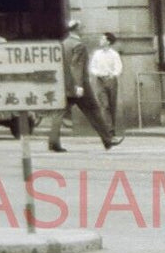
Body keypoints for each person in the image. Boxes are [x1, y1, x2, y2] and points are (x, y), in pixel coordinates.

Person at [48, 19, 116, 153]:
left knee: (59, 113)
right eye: (82, 28)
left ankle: (53, 142)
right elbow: (77, 66)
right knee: (94, 111)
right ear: (77, 29)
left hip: (65, 85)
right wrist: (79, 85)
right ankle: (108, 140)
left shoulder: (63, 44)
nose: (83, 30)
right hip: (80, 87)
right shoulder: (79, 45)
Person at [88, 32, 124, 147]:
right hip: (99, 80)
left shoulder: (114, 54)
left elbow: (118, 67)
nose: (100, 40)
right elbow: (92, 67)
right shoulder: (97, 54)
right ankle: (109, 133)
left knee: (112, 106)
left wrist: (113, 74)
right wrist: (98, 73)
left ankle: (111, 131)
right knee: (105, 105)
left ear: (108, 41)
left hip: (111, 80)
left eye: (103, 39)